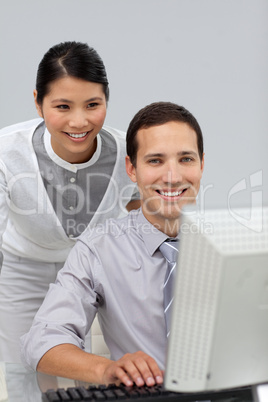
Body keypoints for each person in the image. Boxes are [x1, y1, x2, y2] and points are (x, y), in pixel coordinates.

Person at [21, 101, 205, 387]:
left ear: (201, 164)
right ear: (132, 169)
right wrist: (106, 370)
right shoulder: (98, 248)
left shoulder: (238, 243)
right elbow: (41, 342)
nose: (173, 177)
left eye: (186, 159)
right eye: (155, 160)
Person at [0, 41, 139, 363]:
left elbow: (141, 218)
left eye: (92, 105)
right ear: (38, 103)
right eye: (63, 107)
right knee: (22, 371)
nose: (79, 122)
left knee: (81, 367)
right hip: (22, 268)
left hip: (89, 269)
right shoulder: (7, 152)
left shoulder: (125, 153)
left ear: (107, 99)